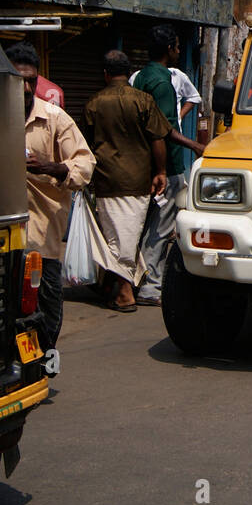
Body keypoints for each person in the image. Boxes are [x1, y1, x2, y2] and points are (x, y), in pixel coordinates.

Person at [7, 42, 95, 357]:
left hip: (42, 233)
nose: (26, 87)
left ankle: (44, 358)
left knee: (46, 303)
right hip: (0, 236)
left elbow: (85, 164)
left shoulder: (55, 119)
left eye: (31, 80)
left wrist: (53, 168)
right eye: (19, 80)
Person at [83, 50, 172, 311]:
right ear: (128, 72)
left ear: (106, 74)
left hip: (107, 179)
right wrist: (161, 171)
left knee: (119, 238)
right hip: (138, 180)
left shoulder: (94, 103)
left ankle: (123, 291)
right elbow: (158, 138)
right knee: (125, 237)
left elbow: (87, 144)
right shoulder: (143, 100)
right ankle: (121, 288)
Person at [132, 25, 206, 306]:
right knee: (161, 228)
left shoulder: (141, 77)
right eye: (176, 46)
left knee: (148, 224)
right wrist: (194, 145)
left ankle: (140, 278)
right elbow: (162, 129)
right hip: (167, 163)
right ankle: (150, 286)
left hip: (145, 161)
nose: (178, 51)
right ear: (169, 50)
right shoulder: (162, 82)